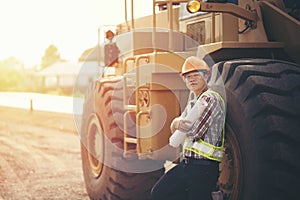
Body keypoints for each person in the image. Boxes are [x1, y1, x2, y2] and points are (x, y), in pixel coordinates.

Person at [151, 56, 226, 200]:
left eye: (196, 75)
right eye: (188, 76)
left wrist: (179, 124)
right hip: (189, 164)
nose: (191, 79)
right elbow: (178, 127)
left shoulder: (210, 99)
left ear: (206, 75)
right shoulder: (194, 102)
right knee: (159, 193)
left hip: (204, 167)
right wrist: (176, 124)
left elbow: (195, 131)